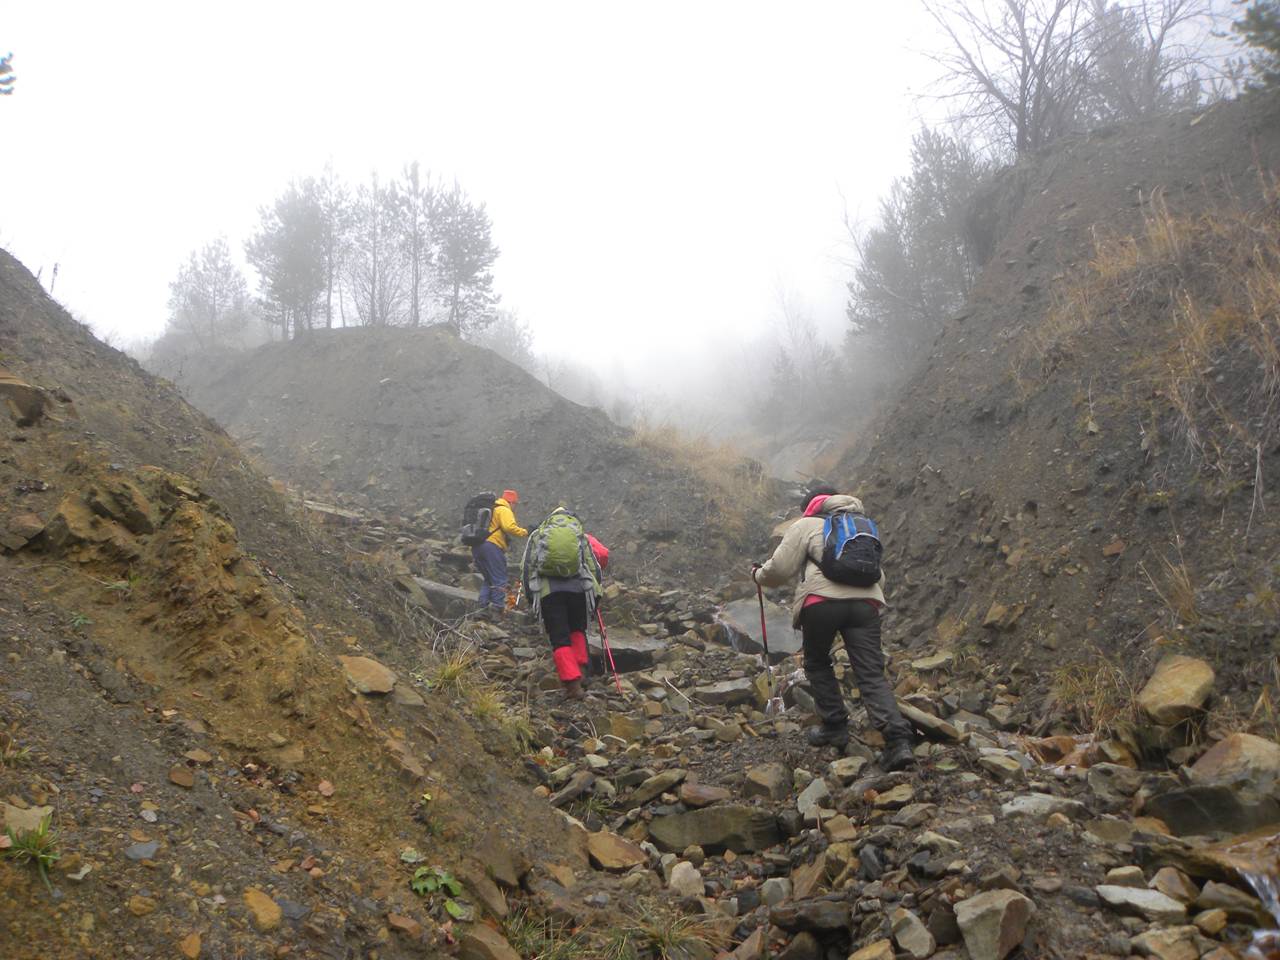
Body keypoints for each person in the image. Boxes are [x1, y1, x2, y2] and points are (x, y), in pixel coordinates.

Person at [751, 484, 916, 771]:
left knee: (817, 663)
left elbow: (779, 570)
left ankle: (835, 726)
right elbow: (878, 576)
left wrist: (757, 575)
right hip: (865, 606)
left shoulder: (806, 525)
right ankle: (898, 741)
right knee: (870, 672)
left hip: (822, 604)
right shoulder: (861, 525)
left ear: (809, 506)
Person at [521, 508, 607, 700]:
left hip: (549, 592)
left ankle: (572, 685)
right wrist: (596, 592)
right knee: (577, 630)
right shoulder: (578, 533)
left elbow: (526, 568)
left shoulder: (538, 534)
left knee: (560, 639)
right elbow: (593, 566)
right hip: (578, 590)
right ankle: (582, 672)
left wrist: (530, 596)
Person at [473, 489, 527, 612]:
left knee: (489, 579)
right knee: (500, 579)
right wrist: (525, 532)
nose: (515, 507)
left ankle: (481, 609)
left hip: (477, 546)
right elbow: (509, 527)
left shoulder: (492, 508)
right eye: (515, 504)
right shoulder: (503, 509)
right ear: (511, 502)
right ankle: (497, 610)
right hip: (492, 547)